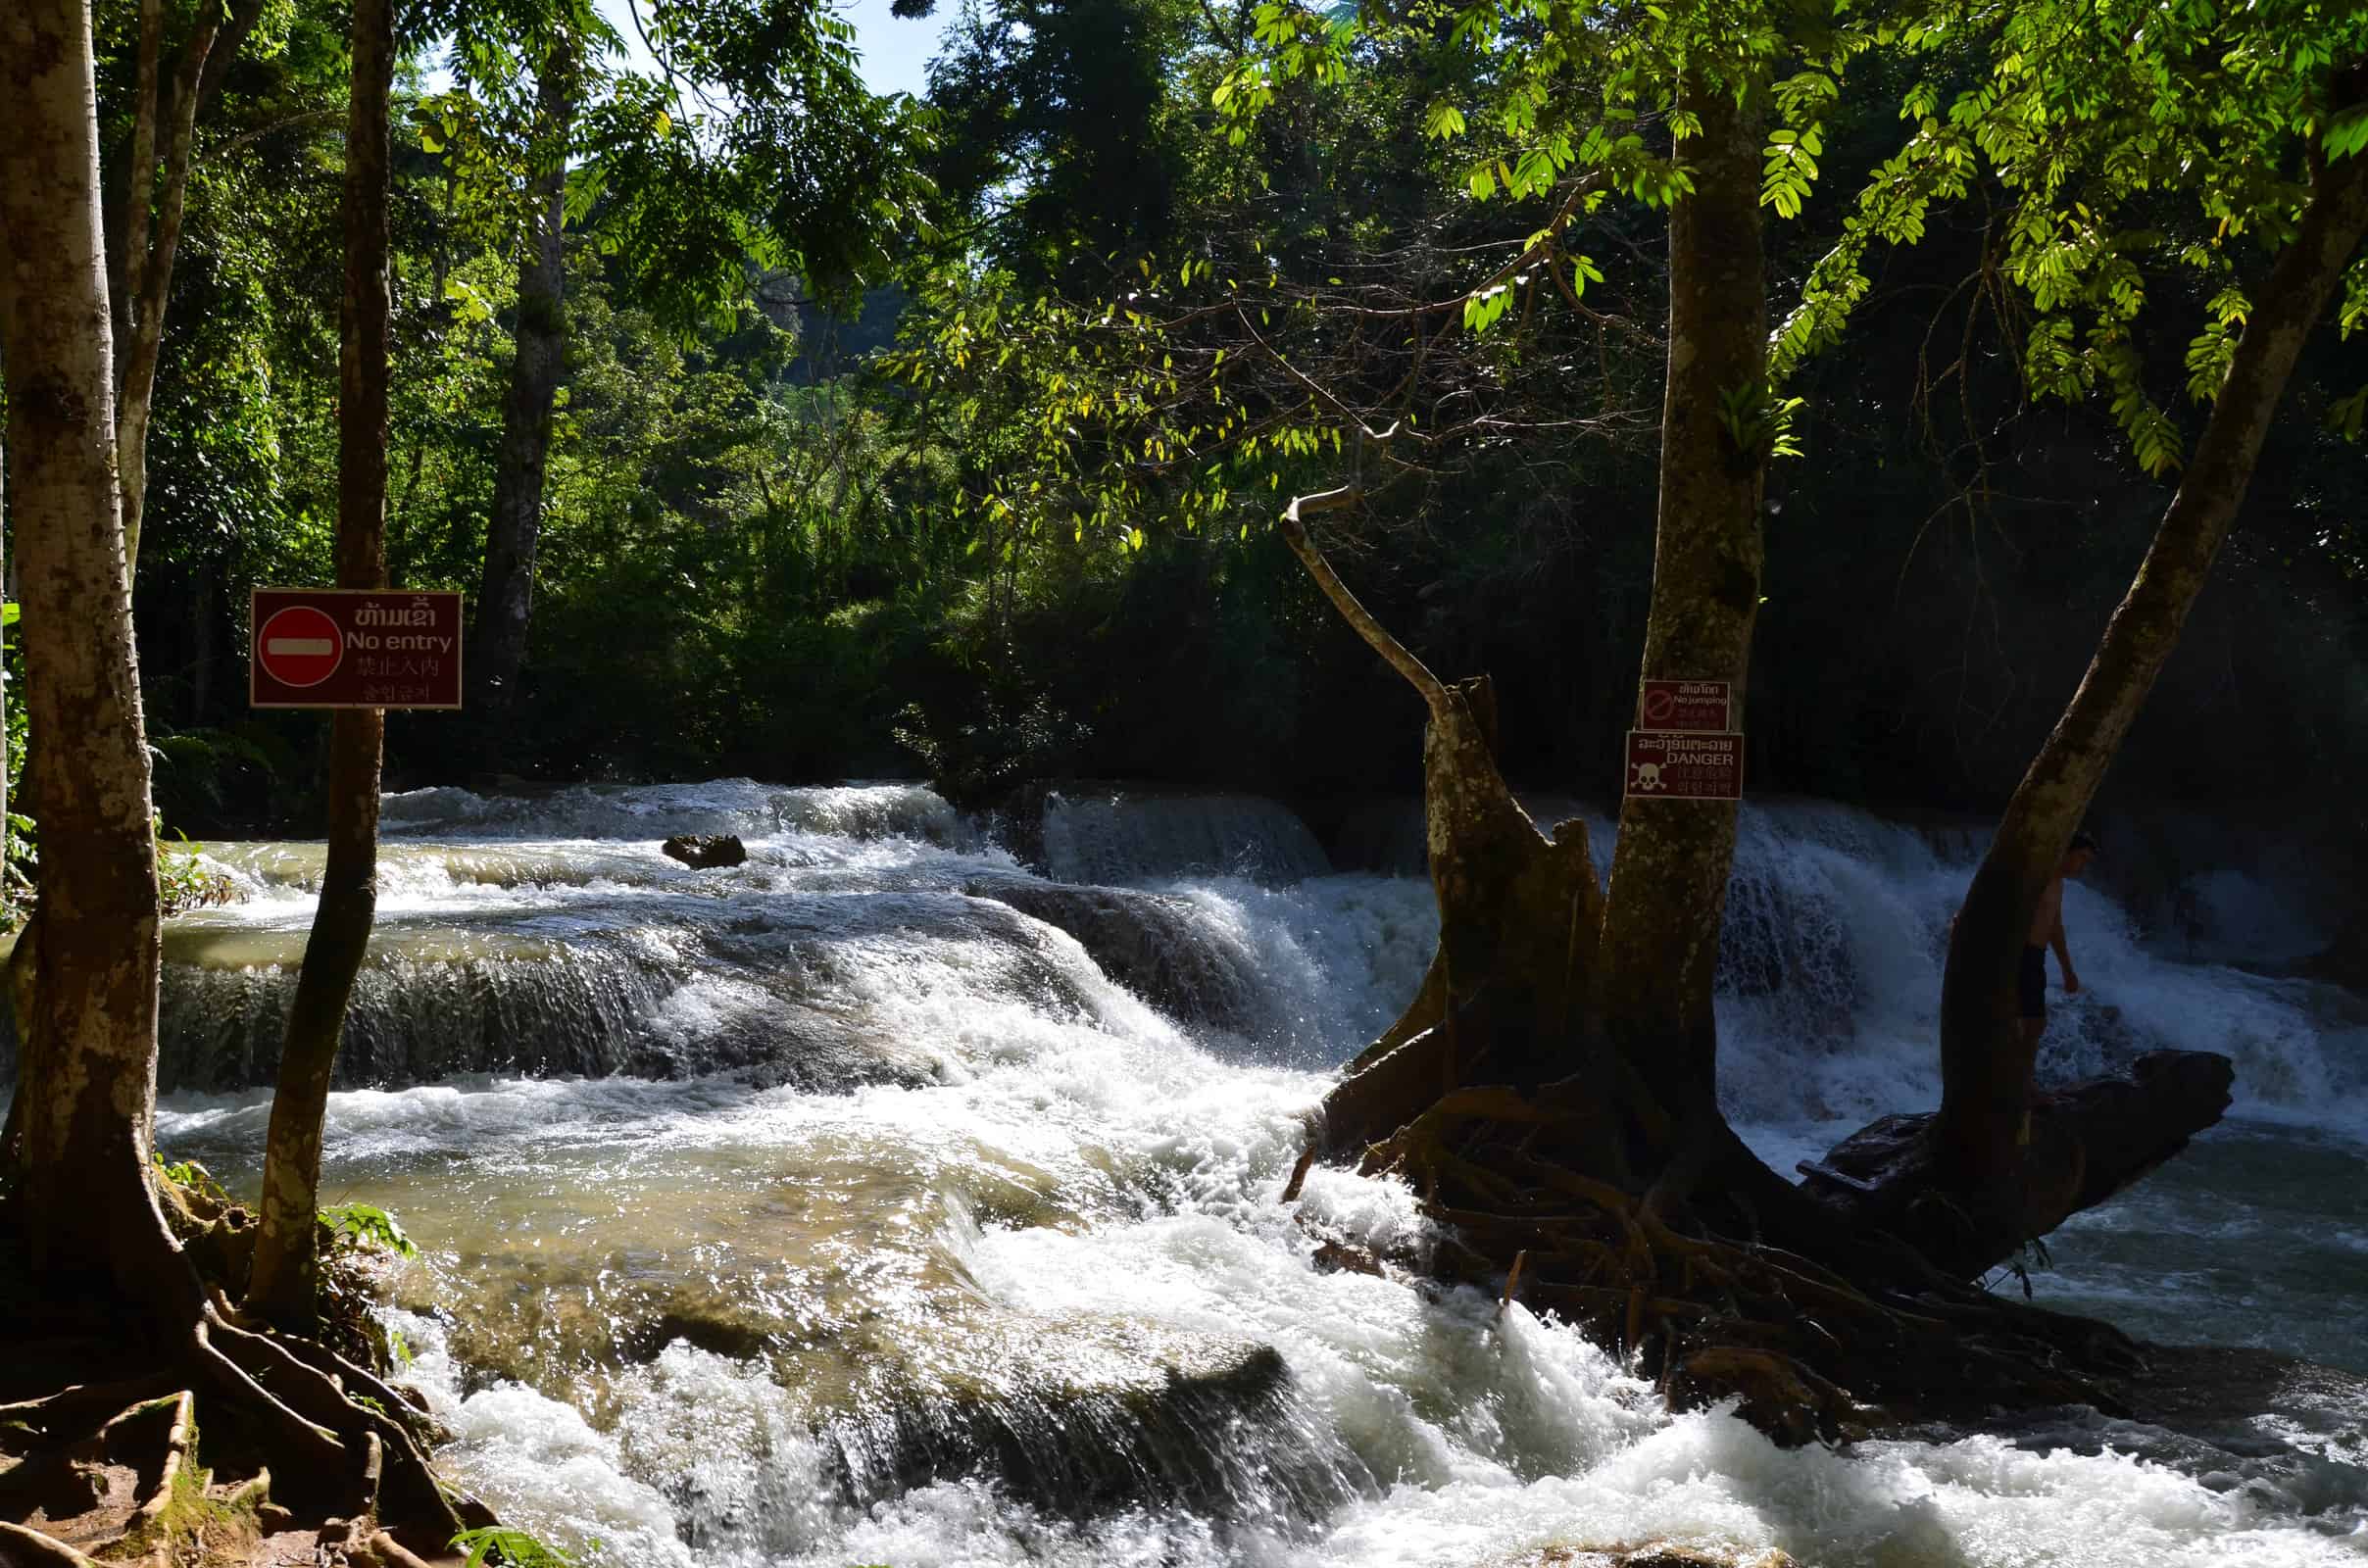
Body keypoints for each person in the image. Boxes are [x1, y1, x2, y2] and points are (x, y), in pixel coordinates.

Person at [2018, 830, 2098, 1095]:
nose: (2083, 866)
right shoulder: (2036, 878)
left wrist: (2068, 971)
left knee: (2034, 1023)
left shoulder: (2058, 883)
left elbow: (2055, 927)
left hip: (2035, 957)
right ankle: (2019, 1082)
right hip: (2019, 955)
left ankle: (2022, 1080)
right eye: (2081, 858)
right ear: (2065, 852)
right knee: (2026, 1022)